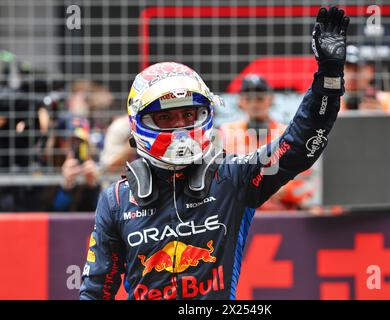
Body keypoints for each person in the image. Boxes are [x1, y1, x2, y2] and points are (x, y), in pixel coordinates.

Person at [80, 6, 349, 300]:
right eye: (166, 118)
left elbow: (299, 144)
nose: (180, 128)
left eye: (189, 114)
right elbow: (95, 291)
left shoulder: (232, 177)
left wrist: (329, 78)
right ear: (138, 123)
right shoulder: (116, 200)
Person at [219, 74, 313, 210]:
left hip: (282, 213)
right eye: (248, 98)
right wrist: (270, 186)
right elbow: (221, 178)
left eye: (259, 98)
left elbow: (302, 178)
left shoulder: (286, 134)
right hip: (238, 213)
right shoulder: (227, 132)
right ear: (240, 101)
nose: (254, 104)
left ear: (270, 100)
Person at [342, 45, 390, 113]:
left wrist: (380, 117)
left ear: (370, 72)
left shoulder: (389, 101)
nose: (352, 74)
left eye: (357, 69)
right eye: (347, 69)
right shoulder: (330, 102)